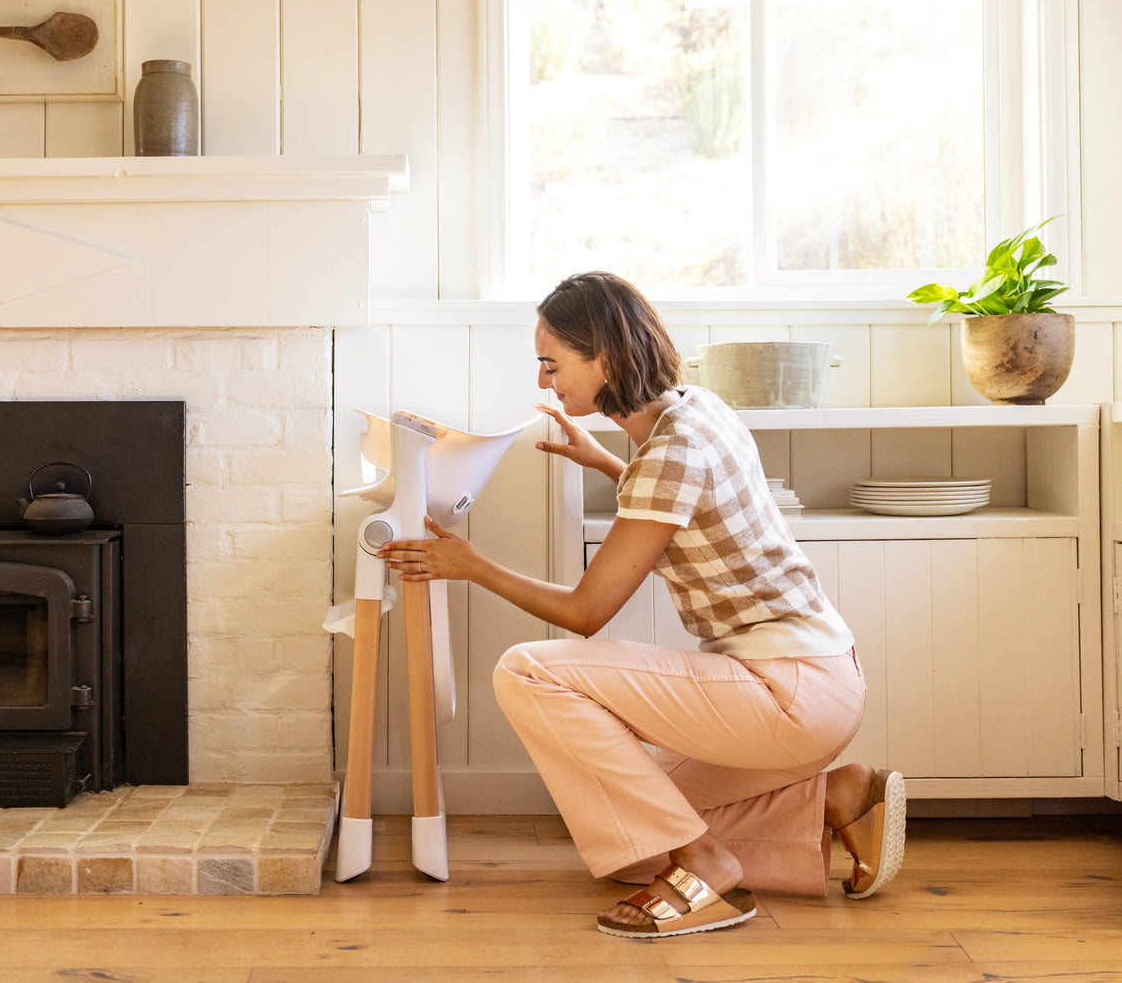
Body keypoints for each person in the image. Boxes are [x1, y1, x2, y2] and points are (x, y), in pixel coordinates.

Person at [377, 271, 905, 939]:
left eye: (551, 363)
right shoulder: (698, 408)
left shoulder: (668, 455)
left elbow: (585, 613)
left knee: (527, 669)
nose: (544, 381)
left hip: (787, 693)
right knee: (635, 838)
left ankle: (702, 864)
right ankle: (838, 799)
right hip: (816, 677)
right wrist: (607, 463)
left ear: (604, 357)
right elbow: (694, 503)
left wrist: (470, 566)